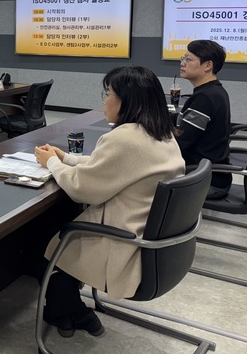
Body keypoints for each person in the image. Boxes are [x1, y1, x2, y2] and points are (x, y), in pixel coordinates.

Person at [33, 65, 185, 338]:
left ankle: (70, 310)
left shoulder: (123, 138)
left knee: (40, 240)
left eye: (108, 94)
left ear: (127, 100)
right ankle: (69, 313)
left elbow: (82, 189)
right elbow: (113, 167)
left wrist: (52, 163)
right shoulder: (162, 133)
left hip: (121, 241)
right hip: (150, 238)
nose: (104, 101)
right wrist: (67, 158)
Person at [176, 39, 231, 199]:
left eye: (188, 59)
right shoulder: (214, 91)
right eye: (183, 58)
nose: (182, 63)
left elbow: (181, 142)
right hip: (210, 174)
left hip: (204, 180)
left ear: (208, 65)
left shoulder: (204, 98)